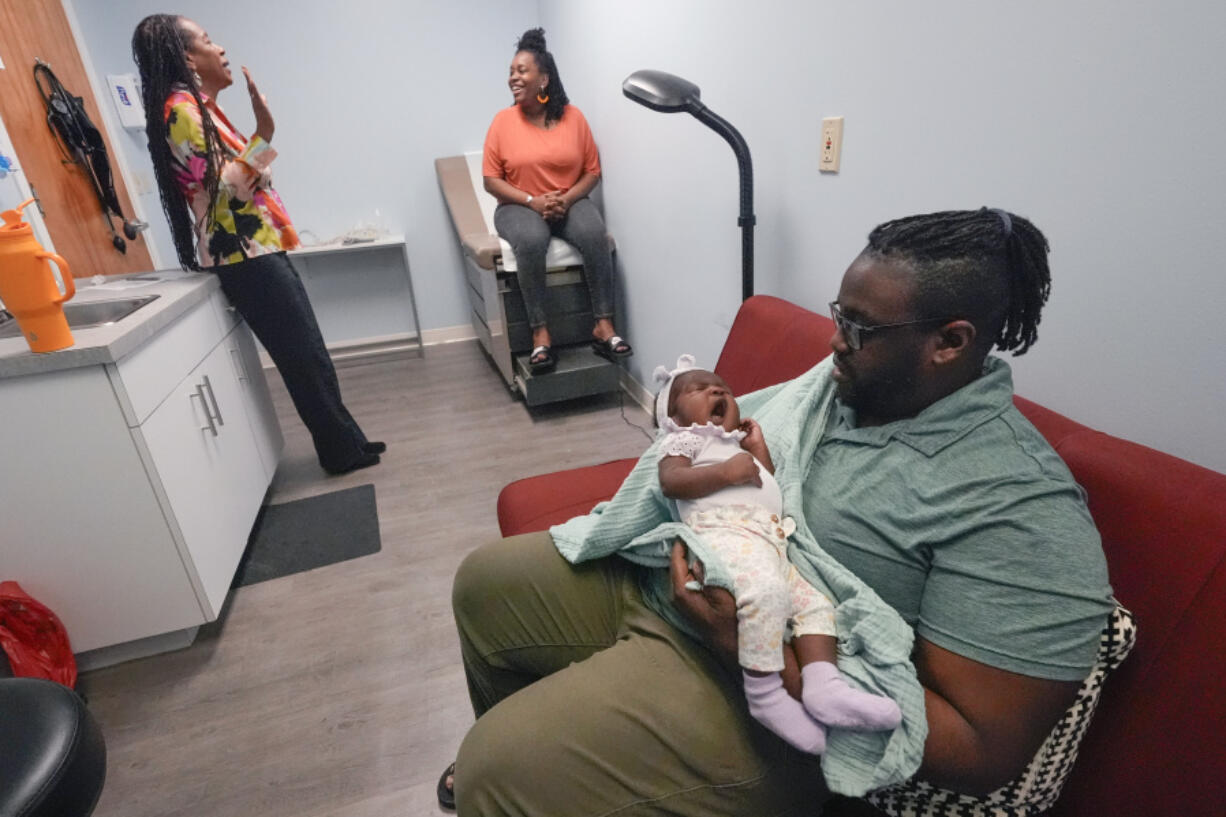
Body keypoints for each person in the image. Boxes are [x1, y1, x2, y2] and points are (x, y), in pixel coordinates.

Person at [440, 208, 1114, 815]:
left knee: (495, 768)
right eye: (837, 314)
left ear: (950, 341)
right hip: (687, 577)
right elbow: (722, 438)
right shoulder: (847, 383)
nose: (835, 341)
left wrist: (751, 647)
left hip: (770, 693)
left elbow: (984, 752)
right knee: (484, 582)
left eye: (857, 327)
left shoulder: (1021, 508)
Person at [131, 15, 382, 475]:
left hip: (253, 248)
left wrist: (256, 149)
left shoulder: (197, 106)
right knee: (301, 354)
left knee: (308, 350)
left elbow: (241, 174)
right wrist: (264, 130)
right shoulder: (181, 109)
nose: (221, 48)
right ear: (188, 57)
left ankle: (348, 439)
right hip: (242, 254)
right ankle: (340, 450)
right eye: (207, 40)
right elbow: (234, 185)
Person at [653, 356, 901, 754]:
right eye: (698, 389)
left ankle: (824, 686)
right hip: (725, 535)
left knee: (815, 605)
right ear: (674, 417)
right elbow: (671, 481)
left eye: (723, 388)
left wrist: (757, 450)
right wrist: (725, 473)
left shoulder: (738, 447)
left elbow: (766, 484)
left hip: (770, 542)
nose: (717, 391)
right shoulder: (686, 440)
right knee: (766, 594)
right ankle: (765, 695)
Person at [482, 28, 631, 374]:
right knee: (533, 240)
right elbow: (491, 180)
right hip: (518, 206)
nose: (513, 78)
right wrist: (533, 200)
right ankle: (540, 333)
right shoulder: (502, 122)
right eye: (511, 72)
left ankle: (603, 325)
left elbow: (592, 171)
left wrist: (566, 199)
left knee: (596, 234)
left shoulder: (573, 118)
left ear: (544, 79)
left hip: (569, 201)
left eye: (522, 71)